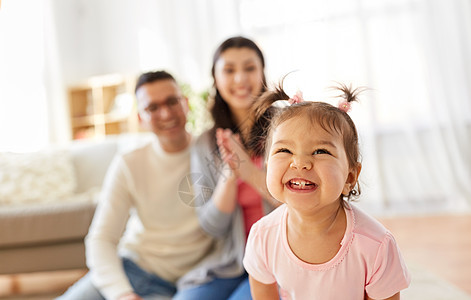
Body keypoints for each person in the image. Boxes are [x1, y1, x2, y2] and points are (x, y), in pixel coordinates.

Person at [57, 71, 219, 300]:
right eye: (153, 107)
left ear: (186, 104)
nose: (166, 113)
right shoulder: (129, 163)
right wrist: (121, 293)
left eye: (172, 102)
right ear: (141, 117)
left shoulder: (213, 155)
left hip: (179, 285)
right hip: (128, 270)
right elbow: (101, 238)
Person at [241, 82, 411, 299]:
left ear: (350, 177)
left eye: (320, 151)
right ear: (266, 165)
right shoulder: (263, 236)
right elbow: (263, 291)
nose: (300, 163)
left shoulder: (375, 245)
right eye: (284, 150)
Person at [188, 36, 278, 299]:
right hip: (231, 264)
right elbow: (211, 226)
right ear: (215, 79)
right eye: (229, 70)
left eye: (249, 68)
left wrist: (248, 172)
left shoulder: (287, 127)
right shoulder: (205, 142)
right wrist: (231, 173)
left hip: (278, 260)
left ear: (263, 73)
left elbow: (302, 205)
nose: (240, 79)